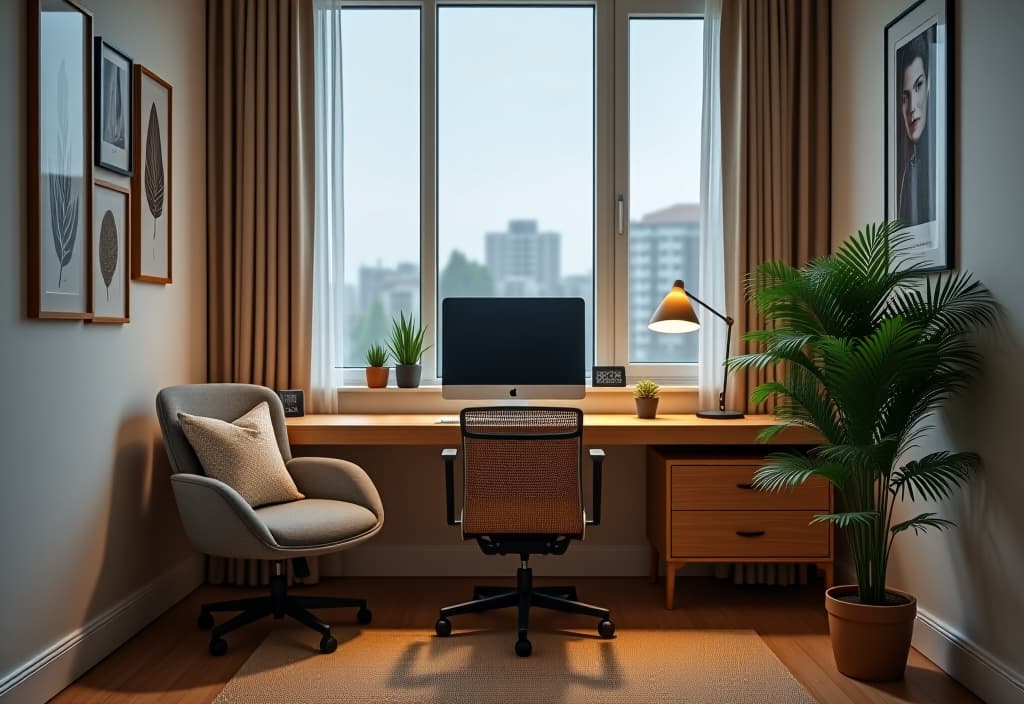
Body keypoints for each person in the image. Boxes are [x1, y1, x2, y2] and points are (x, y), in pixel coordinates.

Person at [896, 29, 935, 226]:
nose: (912, 107)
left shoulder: (935, 167)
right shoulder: (903, 175)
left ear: (929, 87)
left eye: (918, 86)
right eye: (904, 97)